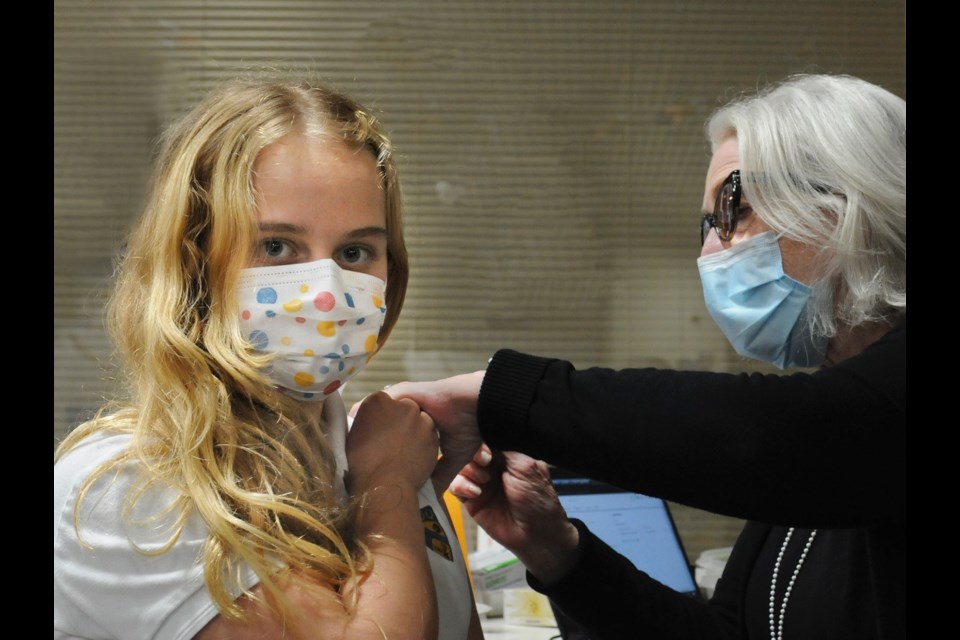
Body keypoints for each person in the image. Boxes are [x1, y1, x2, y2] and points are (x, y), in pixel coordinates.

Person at [383, 74, 905, 639]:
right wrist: (559, 554)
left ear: (851, 200)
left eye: (733, 208)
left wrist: (506, 397)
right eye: (706, 226)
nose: (711, 251)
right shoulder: (813, 470)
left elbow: (804, 432)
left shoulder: (839, 439)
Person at [54, 75, 483, 640]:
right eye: (277, 246)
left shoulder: (378, 448)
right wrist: (390, 488)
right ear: (194, 261)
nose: (326, 291)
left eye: (356, 251)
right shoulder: (126, 486)